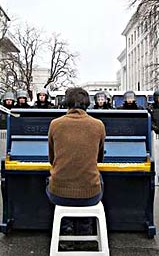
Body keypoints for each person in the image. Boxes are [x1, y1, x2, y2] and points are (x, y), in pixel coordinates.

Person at [47, 87, 106, 237]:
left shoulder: (55, 124)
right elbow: (99, 159)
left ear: (66, 103)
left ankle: (66, 229)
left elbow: (51, 159)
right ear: (87, 103)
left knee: (50, 180)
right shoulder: (98, 125)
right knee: (97, 180)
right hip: (90, 195)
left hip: (58, 194)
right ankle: (85, 229)